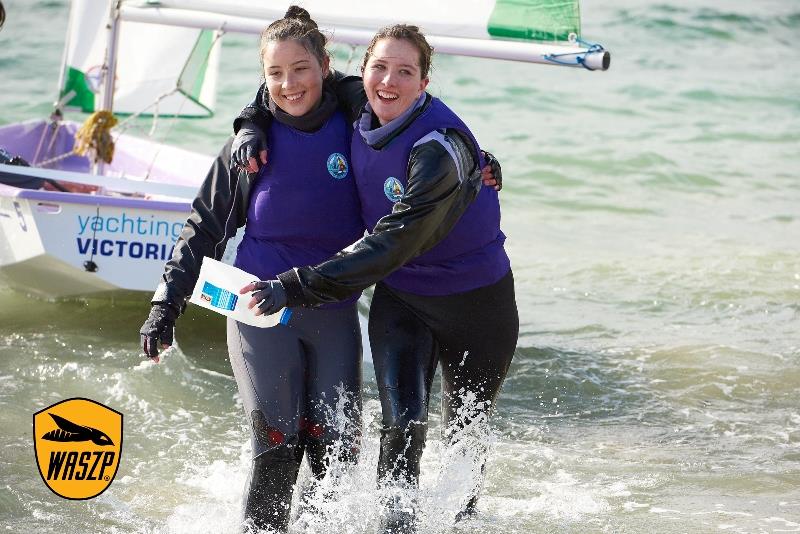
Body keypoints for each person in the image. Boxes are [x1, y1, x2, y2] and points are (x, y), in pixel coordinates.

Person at [236, 24, 518, 534]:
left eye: (405, 72)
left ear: (425, 82)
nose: (388, 82)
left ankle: (460, 523)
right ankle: (396, 526)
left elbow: (389, 245)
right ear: (361, 70)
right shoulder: (357, 97)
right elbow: (286, 82)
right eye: (379, 68)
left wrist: (294, 285)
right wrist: (249, 124)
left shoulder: (438, 152)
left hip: (478, 305)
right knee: (402, 422)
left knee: (466, 433)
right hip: (405, 298)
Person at [139, 8, 366, 532]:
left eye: (301, 69)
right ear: (262, 78)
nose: (289, 84)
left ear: (325, 66)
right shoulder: (250, 150)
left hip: (332, 311)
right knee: (278, 446)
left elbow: (414, 164)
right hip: (258, 310)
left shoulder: (357, 129)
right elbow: (203, 227)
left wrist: (472, 158)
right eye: (275, 73)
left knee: (337, 453)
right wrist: (164, 306)